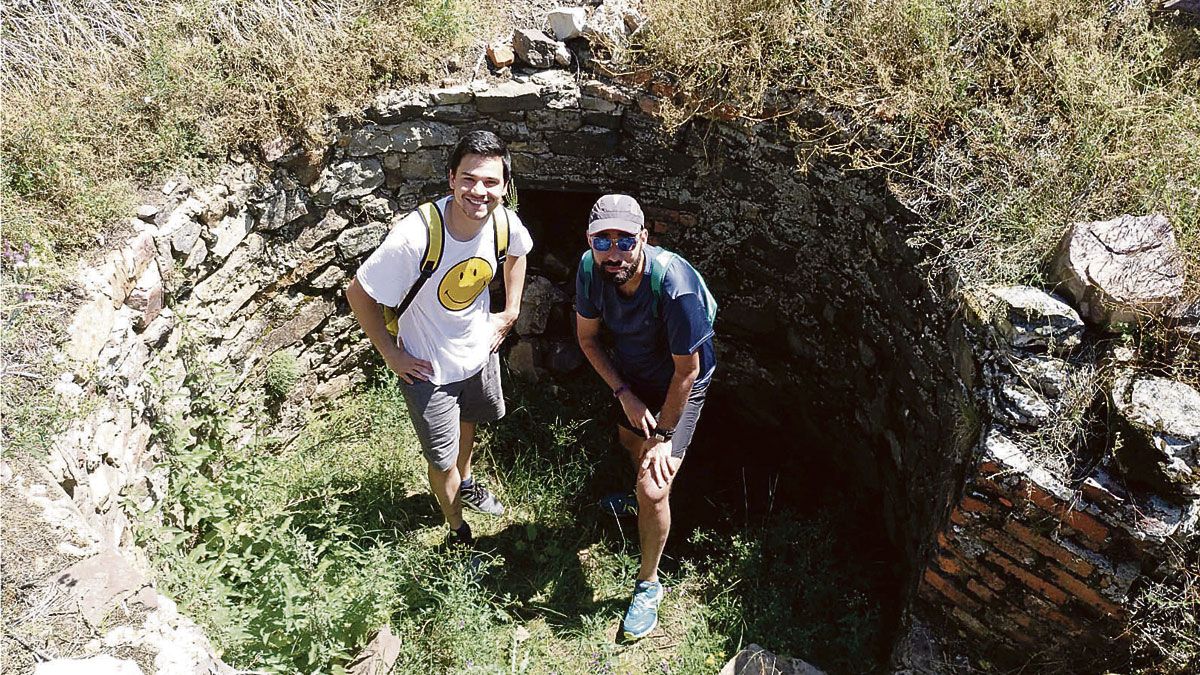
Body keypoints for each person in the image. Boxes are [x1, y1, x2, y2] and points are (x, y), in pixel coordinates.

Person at [346, 130, 531, 548]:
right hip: (428, 370)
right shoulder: (416, 236)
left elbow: (519, 251)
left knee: (470, 423)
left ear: (504, 187)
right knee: (441, 458)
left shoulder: (502, 220)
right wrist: (391, 354)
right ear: (451, 178)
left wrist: (511, 311)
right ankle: (457, 529)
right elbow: (358, 292)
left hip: (478, 352)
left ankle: (466, 482)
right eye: (468, 178)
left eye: (490, 182)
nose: (478, 191)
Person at [574, 194, 717, 641]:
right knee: (630, 444)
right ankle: (636, 499)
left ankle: (648, 583)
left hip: (680, 377)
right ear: (590, 241)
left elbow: (688, 371)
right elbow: (588, 340)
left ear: (643, 238)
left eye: (623, 241)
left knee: (654, 483)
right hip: (634, 371)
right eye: (603, 241)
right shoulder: (590, 270)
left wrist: (665, 434)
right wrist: (625, 395)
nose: (613, 253)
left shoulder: (676, 286)